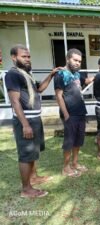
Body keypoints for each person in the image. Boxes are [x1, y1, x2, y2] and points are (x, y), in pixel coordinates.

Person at [5, 44, 57, 198]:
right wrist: (25, 125)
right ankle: (26, 189)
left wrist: (51, 75)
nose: (27, 59)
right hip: (25, 120)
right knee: (26, 154)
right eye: (24, 56)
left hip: (35, 118)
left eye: (28, 56)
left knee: (34, 152)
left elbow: (39, 89)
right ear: (14, 58)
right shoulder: (13, 75)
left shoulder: (27, 74)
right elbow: (15, 102)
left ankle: (34, 177)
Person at [54, 48, 88, 177]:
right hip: (70, 114)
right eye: (75, 60)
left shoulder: (77, 74)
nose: (78, 63)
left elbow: (86, 81)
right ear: (68, 59)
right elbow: (58, 96)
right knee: (69, 141)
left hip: (80, 112)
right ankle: (66, 168)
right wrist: (66, 114)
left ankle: (75, 163)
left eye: (79, 61)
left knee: (78, 140)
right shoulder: (61, 74)